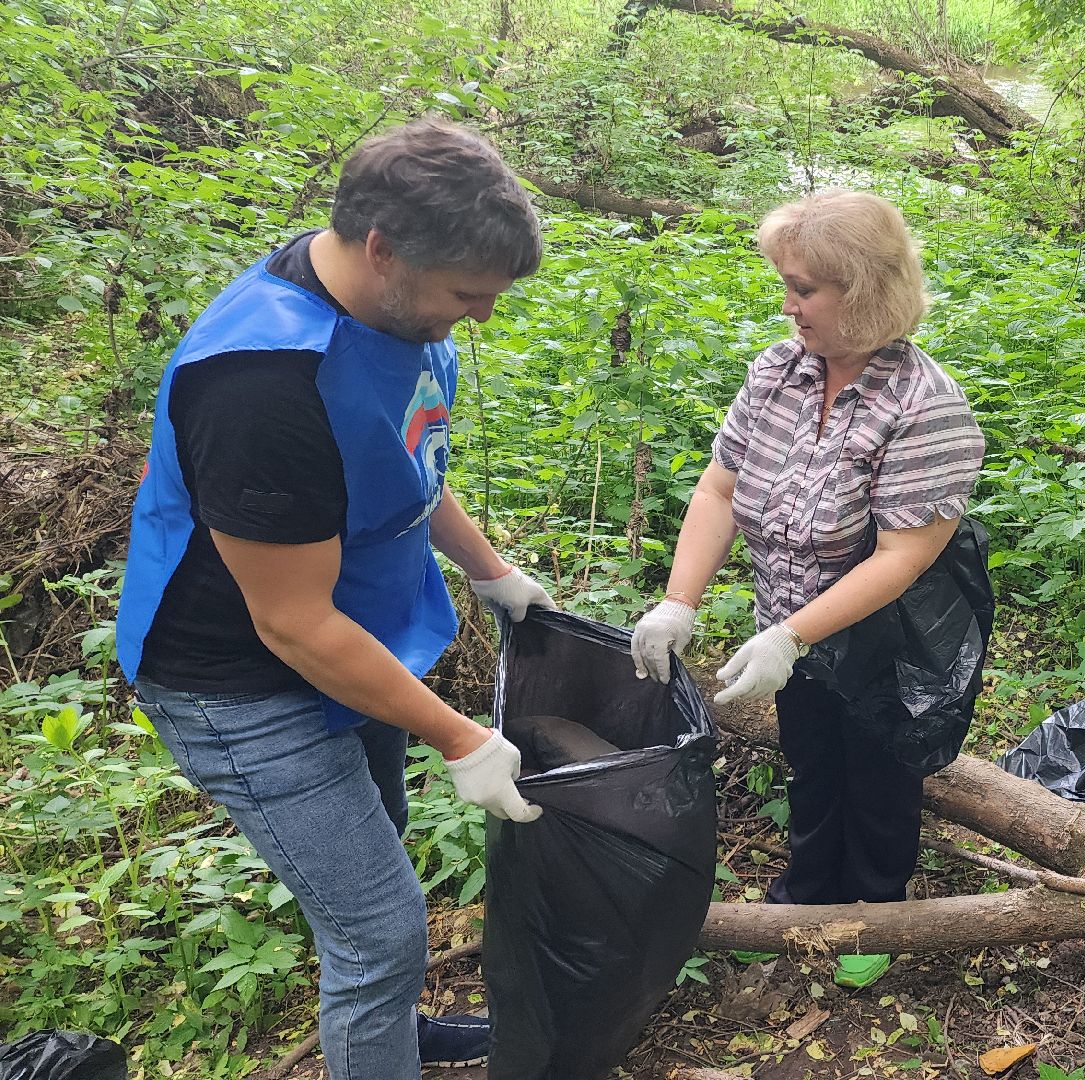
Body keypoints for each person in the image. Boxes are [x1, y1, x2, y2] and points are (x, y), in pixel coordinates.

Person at [115, 118, 552, 1077]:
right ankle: (378, 1029)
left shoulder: (393, 308)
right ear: (381, 249)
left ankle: (389, 1034)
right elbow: (292, 622)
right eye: (467, 295)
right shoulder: (263, 384)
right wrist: (462, 739)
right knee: (380, 929)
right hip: (242, 685)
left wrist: (491, 572)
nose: (481, 317)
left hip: (360, 640)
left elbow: (407, 457)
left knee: (378, 852)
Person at [628, 188, 985, 987]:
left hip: (881, 641)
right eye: (786, 285)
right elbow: (720, 488)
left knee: (880, 779)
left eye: (804, 289)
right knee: (813, 762)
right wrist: (679, 600)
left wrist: (795, 636)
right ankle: (806, 898)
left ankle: (874, 911)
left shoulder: (924, 404)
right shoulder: (778, 372)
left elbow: (903, 557)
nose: (787, 305)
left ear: (863, 291)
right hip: (785, 629)